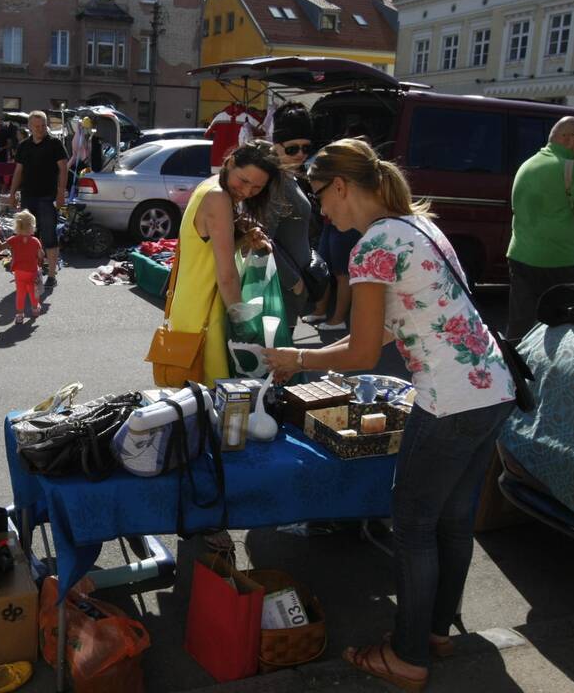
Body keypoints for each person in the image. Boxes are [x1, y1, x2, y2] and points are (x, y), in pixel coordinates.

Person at [263, 139, 515, 693]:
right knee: (450, 522)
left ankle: (407, 656)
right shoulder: (419, 225)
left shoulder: (375, 245)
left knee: (414, 527)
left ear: (343, 187)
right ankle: (434, 633)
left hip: (450, 400)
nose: (321, 211)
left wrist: (296, 357)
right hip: (492, 389)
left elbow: (359, 352)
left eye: (320, 197)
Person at [167, 141, 280, 386]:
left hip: (191, 304)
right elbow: (226, 273)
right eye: (244, 180)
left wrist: (244, 239)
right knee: (210, 399)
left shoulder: (208, 186)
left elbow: (205, 249)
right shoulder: (219, 198)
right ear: (230, 162)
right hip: (206, 312)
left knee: (189, 400)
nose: (248, 191)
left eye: (257, 187)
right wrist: (241, 320)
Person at [506, 116, 574, 341]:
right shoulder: (568, 167)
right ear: (568, 139)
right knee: (573, 327)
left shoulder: (529, 163)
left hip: (520, 255)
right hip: (560, 260)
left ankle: (512, 370)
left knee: (521, 325)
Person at [267, 103, 316, 335]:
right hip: (281, 288)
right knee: (278, 358)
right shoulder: (275, 182)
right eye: (292, 148)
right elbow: (262, 239)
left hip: (292, 285)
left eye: (306, 147)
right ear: (276, 146)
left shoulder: (290, 176)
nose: (300, 154)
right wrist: (294, 282)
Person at [8, 111, 67, 288]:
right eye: (37, 126)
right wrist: (12, 193)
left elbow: (63, 169)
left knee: (49, 235)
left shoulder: (55, 144)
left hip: (48, 197)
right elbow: (18, 171)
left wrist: (61, 192)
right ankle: (32, 271)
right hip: (28, 196)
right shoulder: (24, 146)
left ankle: (51, 275)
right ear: (30, 127)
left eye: (43, 126)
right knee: (28, 236)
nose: (40, 129)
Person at [0, 210, 44, 323]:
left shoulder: (13, 239)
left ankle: (19, 315)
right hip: (32, 271)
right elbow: (41, 256)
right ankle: (35, 309)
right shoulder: (35, 241)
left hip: (19, 272)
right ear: (32, 227)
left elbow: (1, 247)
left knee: (20, 294)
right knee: (33, 292)